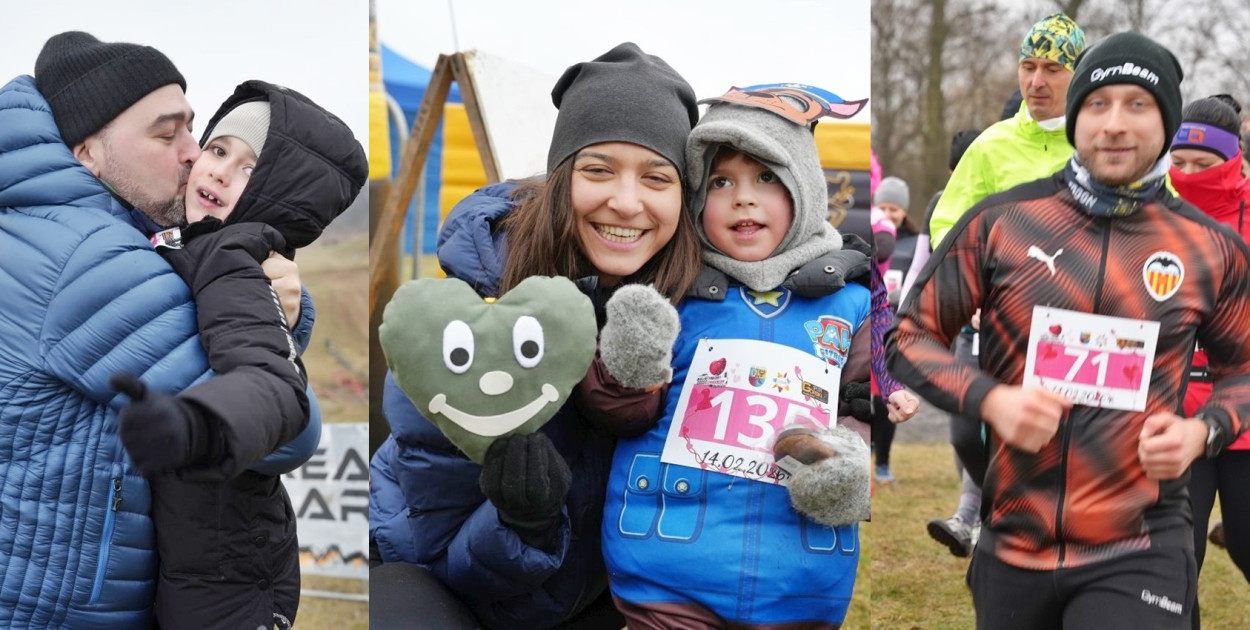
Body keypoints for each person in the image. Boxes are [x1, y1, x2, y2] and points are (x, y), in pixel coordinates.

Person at [889, 31, 1250, 629]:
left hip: (1139, 543)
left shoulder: (1210, 248)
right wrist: (992, 399)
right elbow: (909, 336)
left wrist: (1203, 431)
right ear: (1075, 115)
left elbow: (1243, 370)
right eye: (1098, 103)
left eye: (1138, 105)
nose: (1115, 124)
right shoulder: (1001, 223)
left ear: (1165, 123)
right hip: (1014, 540)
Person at [368, 42, 703, 629]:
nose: (626, 203)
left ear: (684, 197)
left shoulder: (683, 309)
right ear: (561, 176)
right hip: (450, 587)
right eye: (598, 170)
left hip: (593, 600)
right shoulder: (466, 315)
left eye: (657, 177)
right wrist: (524, 521)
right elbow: (435, 545)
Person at [0, 31, 309, 628]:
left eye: (193, 129)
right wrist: (279, 318)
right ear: (86, 153)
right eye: (167, 135)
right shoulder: (87, 258)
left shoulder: (33, 224)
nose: (193, 153)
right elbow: (285, 434)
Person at [602, 84, 872, 628]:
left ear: (807, 189)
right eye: (721, 181)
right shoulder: (666, 290)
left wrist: (847, 461)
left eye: (767, 178)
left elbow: (872, 411)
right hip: (666, 573)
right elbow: (621, 412)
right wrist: (629, 366)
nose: (743, 198)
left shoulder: (855, 304)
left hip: (801, 580)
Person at [111, 80, 367, 629]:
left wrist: (198, 423)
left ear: (277, 196)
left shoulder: (233, 256)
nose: (221, 171)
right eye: (219, 149)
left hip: (227, 572)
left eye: (250, 168)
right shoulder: (175, 241)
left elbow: (265, 377)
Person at [920, 12, 1086, 558]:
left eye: (1052, 70)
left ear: (1078, 74)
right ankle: (997, 515)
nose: (1036, 81)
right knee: (970, 434)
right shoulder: (991, 146)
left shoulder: (1097, 140)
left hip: (1079, 330)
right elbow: (949, 223)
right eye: (1027, 66)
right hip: (1000, 323)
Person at [1166, 95, 1250, 629]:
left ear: (1234, 158)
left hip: (1246, 417)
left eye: (1206, 164)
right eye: (1181, 162)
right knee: (1177, 561)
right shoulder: (1147, 208)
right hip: (1175, 416)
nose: (1190, 174)